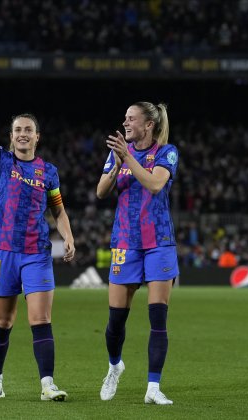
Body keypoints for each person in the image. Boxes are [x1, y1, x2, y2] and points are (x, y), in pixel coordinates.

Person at [0, 64, 75, 401]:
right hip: (3, 250)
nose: (23, 134)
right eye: (18, 130)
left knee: (40, 318)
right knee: (4, 321)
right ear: (11, 135)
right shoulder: (0, 161)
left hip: (36, 252)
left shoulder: (48, 171)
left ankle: (47, 384)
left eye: (28, 130)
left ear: (37, 136)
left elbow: (57, 209)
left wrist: (68, 235)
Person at [96, 101, 179, 405]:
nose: (126, 123)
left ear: (148, 125)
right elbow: (101, 191)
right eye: (125, 117)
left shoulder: (166, 152)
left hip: (159, 242)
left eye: (131, 119)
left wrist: (128, 157)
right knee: (116, 319)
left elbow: (155, 184)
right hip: (125, 242)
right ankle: (114, 365)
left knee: (158, 317)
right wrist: (119, 161)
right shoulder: (117, 154)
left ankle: (153, 388)